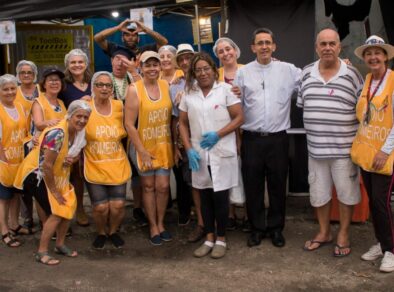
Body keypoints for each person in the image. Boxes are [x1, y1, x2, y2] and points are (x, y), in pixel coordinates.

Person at [297, 28, 363, 257]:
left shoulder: (353, 74)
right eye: (322, 44)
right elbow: (303, 105)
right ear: (316, 48)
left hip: (344, 150)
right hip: (315, 150)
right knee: (319, 194)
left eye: (331, 44)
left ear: (339, 47)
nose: (327, 48)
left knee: (347, 194)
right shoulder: (306, 73)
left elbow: (362, 110)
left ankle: (343, 233)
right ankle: (324, 232)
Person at [234, 28, 301, 248]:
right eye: (259, 43)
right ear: (252, 47)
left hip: (278, 140)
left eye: (267, 42)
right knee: (252, 186)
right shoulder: (243, 73)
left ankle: (275, 229)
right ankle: (256, 229)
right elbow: (235, 103)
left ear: (274, 46)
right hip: (252, 139)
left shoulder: (288, 70)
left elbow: (313, 76)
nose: (264, 46)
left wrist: (343, 64)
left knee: (278, 185)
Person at [179, 52, 244, 259]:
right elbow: (182, 122)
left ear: (214, 70)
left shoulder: (225, 90)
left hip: (222, 150)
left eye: (206, 68)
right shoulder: (189, 93)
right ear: (193, 73)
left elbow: (239, 118)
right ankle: (208, 237)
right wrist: (188, 148)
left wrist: (218, 134)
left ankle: (221, 239)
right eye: (198, 70)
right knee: (204, 196)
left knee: (220, 196)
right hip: (199, 152)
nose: (203, 73)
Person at [14, 100, 91, 265]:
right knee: (56, 213)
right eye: (79, 116)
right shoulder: (58, 133)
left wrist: (73, 158)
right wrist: (55, 191)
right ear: (70, 115)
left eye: (86, 117)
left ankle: (60, 245)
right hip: (36, 174)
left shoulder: (79, 132)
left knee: (66, 208)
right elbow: (46, 166)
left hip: (56, 173)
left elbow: (74, 154)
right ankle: (41, 252)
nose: (82, 120)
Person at [351, 35, 394, 272]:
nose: (373, 57)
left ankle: (391, 249)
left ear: (385, 56)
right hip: (366, 151)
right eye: (369, 54)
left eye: (377, 53)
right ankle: (381, 243)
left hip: (384, 154)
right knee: (375, 203)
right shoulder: (367, 80)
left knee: (381, 202)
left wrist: (385, 151)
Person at [124, 51, 174, 246]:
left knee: (162, 187)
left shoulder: (166, 86)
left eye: (155, 64)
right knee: (148, 186)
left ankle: (161, 223)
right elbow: (129, 124)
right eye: (148, 65)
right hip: (143, 145)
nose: (152, 68)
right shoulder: (134, 89)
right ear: (140, 68)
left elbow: (173, 117)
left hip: (164, 143)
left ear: (160, 67)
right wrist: (142, 151)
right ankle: (152, 225)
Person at [83, 72, 131, 249]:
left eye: (108, 85)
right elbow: (72, 128)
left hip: (117, 162)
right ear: (93, 87)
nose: (104, 88)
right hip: (94, 163)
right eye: (100, 85)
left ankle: (113, 231)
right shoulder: (85, 106)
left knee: (118, 205)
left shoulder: (119, 106)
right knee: (101, 207)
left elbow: (131, 126)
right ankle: (101, 232)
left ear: (112, 89)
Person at [213, 37, 250, 232]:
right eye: (221, 51)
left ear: (235, 50)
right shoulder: (214, 75)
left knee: (247, 172)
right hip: (225, 131)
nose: (226, 53)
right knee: (226, 170)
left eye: (228, 49)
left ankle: (245, 213)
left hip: (248, 128)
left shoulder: (249, 69)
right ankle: (229, 215)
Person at [171, 43, 205, 243]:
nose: (185, 62)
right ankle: (201, 223)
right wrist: (177, 146)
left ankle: (217, 223)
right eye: (181, 59)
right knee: (195, 185)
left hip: (208, 140)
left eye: (188, 57)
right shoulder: (175, 85)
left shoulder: (206, 78)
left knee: (213, 182)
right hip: (187, 142)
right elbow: (176, 121)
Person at [59, 49, 92, 227]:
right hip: (72, 137)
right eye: (73, 62)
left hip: (93, 135)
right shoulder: (63, 85)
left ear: (86, 64)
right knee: (72, 175)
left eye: (80, 62)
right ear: (67, 65)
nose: (77, 65)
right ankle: (70, 209)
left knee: (87, 173)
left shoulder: (93, 82)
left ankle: (86, 207)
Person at [0, 74, 29, 247]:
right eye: (5, 89)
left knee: (16, 194)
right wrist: (4, 163)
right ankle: (4, 230)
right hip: (5, 161)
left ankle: (14, 224)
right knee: (3, 198)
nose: (10, 92)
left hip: (19, 159)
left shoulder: (19, 106)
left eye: (12, 88)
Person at [15, 60, 40, 232]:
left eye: (29, 72)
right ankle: (27, 218)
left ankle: (45, 216)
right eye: (22, 72)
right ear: (18, 75)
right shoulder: (13, 91)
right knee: (23, 183)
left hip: (38, 141)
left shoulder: (41, 89)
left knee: (37, 181)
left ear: (34, 74)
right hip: (18, 142)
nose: (26, 75)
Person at [94, 18, 168, 57]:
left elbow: (163, 42)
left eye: (133, 35)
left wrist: (146, 29)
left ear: (138, 39)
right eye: (127, 35)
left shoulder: (147, 50)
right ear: (122, 38)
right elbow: (97, 38)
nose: (130, 37)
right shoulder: (116, 49)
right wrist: (117, 28)